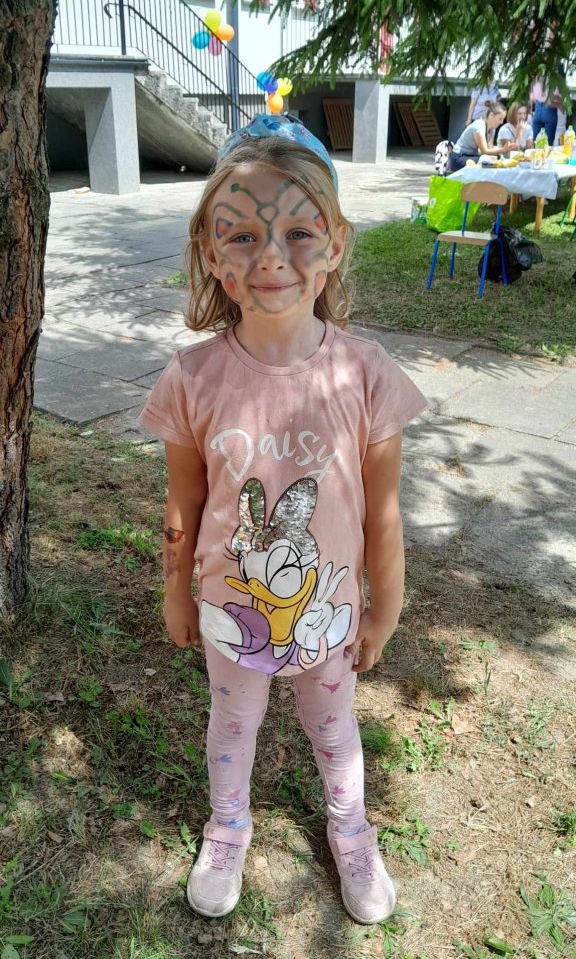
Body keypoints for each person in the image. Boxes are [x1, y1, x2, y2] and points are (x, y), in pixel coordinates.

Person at [138, 113, 427, 925]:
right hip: (231, 614)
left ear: (335, 243)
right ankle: (228, 826)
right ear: (212, 252)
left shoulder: (366, 375)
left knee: (332, 727)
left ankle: (351, 828)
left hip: (328, 616)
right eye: (241, 235)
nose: (270, 256)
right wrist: (174, 590)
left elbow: (383, 512)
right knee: (233, 721)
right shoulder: (193, 377)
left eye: (299, 231)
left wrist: (387, 606)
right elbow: (183, 503)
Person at [447, 101, 511, 172]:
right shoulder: (479, 126)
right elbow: (484, 151)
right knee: (486, 161)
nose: (501, 122)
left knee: (494, 159)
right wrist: (502, 150)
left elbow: (490, 149)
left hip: (470, 157)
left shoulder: (492, 129)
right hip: (459, 158)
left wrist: (502, 150)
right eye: (500, 119)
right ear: (491, 115)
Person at [530, 78, 564, 145]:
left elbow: (532, 98)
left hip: (538, 108)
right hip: (548, 108)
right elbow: (557, 98)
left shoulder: (536, 78)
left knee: (536, 142)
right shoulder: (554, 77)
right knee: (548, 142)